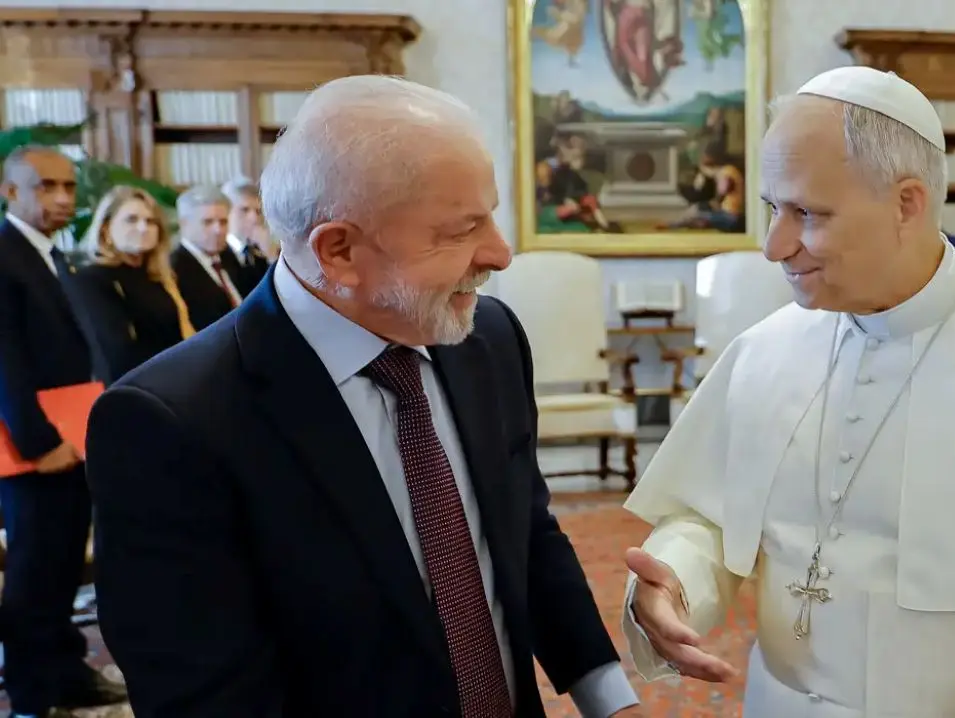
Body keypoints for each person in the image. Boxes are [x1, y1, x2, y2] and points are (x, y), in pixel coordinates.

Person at [620, 66, 955, 716]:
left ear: (906, 203)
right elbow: (710, 517)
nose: (775, 246)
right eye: (774, 208)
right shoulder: (764, 351)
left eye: (807, 213)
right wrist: (674, 584)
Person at [85, 76, 642, 718]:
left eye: (490, 213)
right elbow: (208, 694)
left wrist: (606, 697)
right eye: (460, 230)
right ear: (339, 251)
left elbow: (524, 533)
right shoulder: (169, 422)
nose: (500, 252)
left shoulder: (486, 339)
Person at [0, 146, 127, 717]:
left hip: (71, 436)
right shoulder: (4, 254)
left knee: (63, 566)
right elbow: (4, 360)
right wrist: (38, 442)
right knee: (34, 571)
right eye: (46, 186)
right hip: (36, 448)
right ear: (11, 192)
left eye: (70, 187)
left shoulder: (56, 256)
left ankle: (67, 671)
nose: (62, 198)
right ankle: (31, 693)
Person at [65, 185, 195, 383]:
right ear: (106, 229)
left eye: (150, 221)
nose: (143, 228)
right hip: (135, 388)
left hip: (176, 382)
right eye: (131, 220)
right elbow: (116, 352)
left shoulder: (160, 276)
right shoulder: (92, 279)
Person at [169, 184, 243, 331]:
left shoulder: (228, 256)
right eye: (208, 222)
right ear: (184, 224)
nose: (218, 230)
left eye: (223, 222)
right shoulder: (174, 268)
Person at [221, 176, 276, 293]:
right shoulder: (218, 253)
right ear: (226, 213)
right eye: (244, 210)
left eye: (258, 211)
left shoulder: (261, 251)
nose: (254, 218)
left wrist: (271, 255)